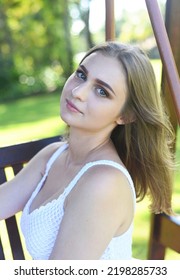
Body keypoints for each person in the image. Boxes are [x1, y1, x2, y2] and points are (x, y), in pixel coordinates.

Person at [0, 42, 175, 260]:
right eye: (81, 75)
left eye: (101, 91)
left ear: (126, 116)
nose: (78, 92)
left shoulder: (104, 182)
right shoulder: (53, 155)